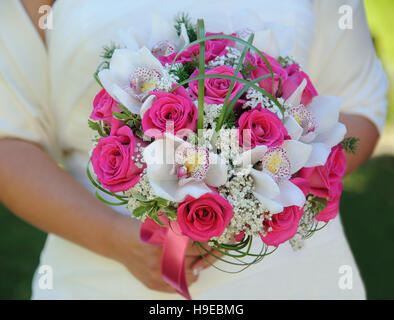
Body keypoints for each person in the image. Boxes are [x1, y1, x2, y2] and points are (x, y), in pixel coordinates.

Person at [0, 0, 387, 299]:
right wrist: (120, 241)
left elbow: (358, 106)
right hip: (99, 268)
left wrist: (249, 192)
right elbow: (9, 138)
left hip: (288, 270)